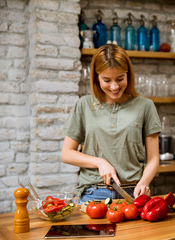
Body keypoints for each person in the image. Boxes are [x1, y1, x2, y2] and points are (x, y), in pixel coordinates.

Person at [61, 44, 161, 204]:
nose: (114, 87)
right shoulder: (84, 105)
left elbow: (154, 158)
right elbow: (67, 153)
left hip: (133, 192)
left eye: (120, 78)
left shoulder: (145, 106)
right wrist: (100, 162)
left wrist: (144, 183)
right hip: (93, 194)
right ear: (96, 77)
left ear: (128, 74)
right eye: (106, 80)